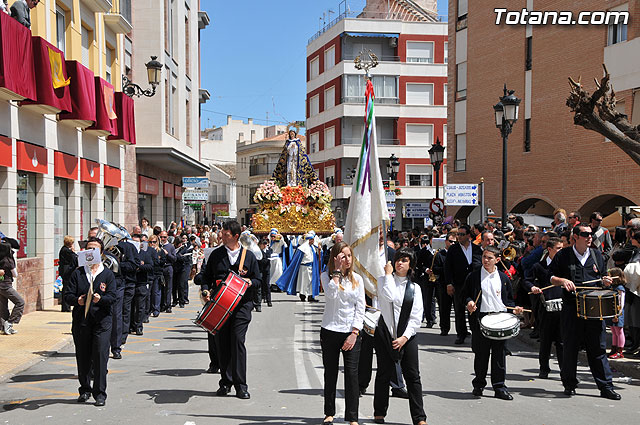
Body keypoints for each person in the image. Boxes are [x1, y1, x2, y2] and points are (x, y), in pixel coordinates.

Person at [549, 224, 621, 400]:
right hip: (572, 308)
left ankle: (606, 387)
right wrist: (563, 280)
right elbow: (551, 277)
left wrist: (606, 281)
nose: (589, 237)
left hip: (594, 310)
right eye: (584, 234)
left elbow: (603, 278)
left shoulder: (597, 255)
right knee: (570, 348)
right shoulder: (563, 255)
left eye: (590, 234)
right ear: (575, 236)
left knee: (598, 348)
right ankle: (569, 383)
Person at [200, 220, 261, 399]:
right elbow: (206, 277)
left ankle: (241, 385)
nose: (222, 237)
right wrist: (205, 290)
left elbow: (258, 280)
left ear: (235, 236)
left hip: (242, 305)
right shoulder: (216, 254)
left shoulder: (248, 256)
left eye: (226, 234)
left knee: (237, 341)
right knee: (222, 343)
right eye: (222, 234)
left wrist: (250, 282)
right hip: (220, 305)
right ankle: (225, 382)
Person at [373, 248, 427, 425]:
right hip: (385, 333)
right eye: (397, 259)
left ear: (411, 264)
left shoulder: (415, 288)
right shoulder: (383, 281)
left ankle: (419, 417)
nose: (399, 263)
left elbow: (416, 316)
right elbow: (388, 296)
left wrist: (405, 337)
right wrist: (388, 275)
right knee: (383, 374)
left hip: (407, 336)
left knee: (413, 376)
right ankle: (379, 413)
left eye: (404, 260)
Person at [464, 246, 523, 400]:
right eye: (484, 257)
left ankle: (499, 387)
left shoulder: (503, 278)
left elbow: (509, 299)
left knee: (499, 355)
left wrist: (514, 309)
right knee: (481, 355)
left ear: (497, 259)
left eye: (489, 258)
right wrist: (469, 302)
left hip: (500, 319)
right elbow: (465, 294)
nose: (486, 260)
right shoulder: (474, 276)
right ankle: (479, 384)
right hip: (481, 318)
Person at [64, 237, 116, 406]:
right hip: (82, 322)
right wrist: (77, 300)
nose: (91, 252)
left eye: (94, 249)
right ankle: (85, 389)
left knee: (100, 356)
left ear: (101, 253)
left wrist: (101, 299)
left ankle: (100, 393)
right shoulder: (78, 273)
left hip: (102, 322)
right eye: (88, 249)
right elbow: (67, 295)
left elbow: (113, 297)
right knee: (83, 356)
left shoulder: (107, 274)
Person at [320, 242, 365, 425]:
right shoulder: (326, 276)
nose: (347, 260)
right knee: (330, 373)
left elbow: (360, 307)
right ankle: (329, 412)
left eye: (349, 256)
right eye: (342, 256)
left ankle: (352, 416)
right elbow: (330, 295)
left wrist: (354, 332)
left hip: (350, 331)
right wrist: (336, 273)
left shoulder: (357, 279)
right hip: (330, 330)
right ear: (335, 258)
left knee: (352, 374)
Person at [524, 237, 564, 378]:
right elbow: (527, 281)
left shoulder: (563, 266)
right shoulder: (539, 266)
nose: (561, 251)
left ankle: (564, 369)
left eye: (562, 248)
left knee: (561, 341)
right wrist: (533, 287)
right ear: (549, 249)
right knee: (545, 340)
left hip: (562, 306)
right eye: (558, 248)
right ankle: (544, 368)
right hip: (546, 306)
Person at [444, 224, 482, 344]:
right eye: (457, 234)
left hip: (473, 283)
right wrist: (449, 284)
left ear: (468, 236)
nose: (459, 237)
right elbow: (447, 267)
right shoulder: (453, 249)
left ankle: (475, 331)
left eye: (461, 234)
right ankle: (461, 334)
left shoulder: (476, 249)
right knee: (459, 309)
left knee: (474, 308)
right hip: (459, 283)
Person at [434, 232, 455, 336]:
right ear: (446, 242)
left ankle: (462, 330)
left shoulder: (457, 253)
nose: (452, 243)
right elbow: (435, 269)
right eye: (450, 241)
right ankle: (444, 328)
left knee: (458, 308)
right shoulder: (440, 254)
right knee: (444, 308)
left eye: (454, 242)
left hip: (456, 284)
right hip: (443, 284)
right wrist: (446, 269)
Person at [0, 241, 23, 335]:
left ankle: (4, 327)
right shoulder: (8, 260)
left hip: (1, 286)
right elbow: (15, 275)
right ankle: (9, 323)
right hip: (6, 285)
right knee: (20, 302)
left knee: (3, 306)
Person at [131, 234, 152, 335]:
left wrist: (140, 267)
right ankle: (131, 326)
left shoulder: (145, 254)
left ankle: (139, 326)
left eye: (137, 242)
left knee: (140, 307)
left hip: (141, 283)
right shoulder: (128, 254)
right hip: (130, 283)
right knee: (129, 307)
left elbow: (150, 266)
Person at [606, 267, 626, 359]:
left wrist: (617, 314)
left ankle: (619, 351)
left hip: (617, 312)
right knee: (613, 331)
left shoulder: (620, 288)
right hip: (611, 311)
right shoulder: (612, 287)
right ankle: (614, 348)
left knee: (619, 331)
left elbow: (621, 302)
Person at [58, 235, 78, 313]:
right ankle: (66, 307)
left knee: (66, 287)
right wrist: (73, 251)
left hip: (65, 269)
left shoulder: (65, 249)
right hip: (67, 270)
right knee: (66, 288)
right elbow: (75, 257)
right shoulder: (66, 250)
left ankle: (66, 306)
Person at [147, 235, 166, 318]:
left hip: (157, 274)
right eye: (150, 242)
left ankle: (156, 309)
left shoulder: (160, 251)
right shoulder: (147, 251)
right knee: (148, 293)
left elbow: (163, 261)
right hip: (149, 274)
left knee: (156, 292)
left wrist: (158, 259)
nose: (152, 244)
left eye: (154, 242)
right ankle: (148, 310)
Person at [159, 231, 176, 313]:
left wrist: (167, 254)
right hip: (160, 268)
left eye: (164, 237)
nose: (163, 239)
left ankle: (168, 305)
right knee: (161, 287)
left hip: (168, 267)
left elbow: (174, 259)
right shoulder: (158, 246)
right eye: (161, 237)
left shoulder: (170, 246)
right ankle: (162, 305)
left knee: (168, 287)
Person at [256, 238, 272, 310]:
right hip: (260, 270)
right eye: (263, 244)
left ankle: (269, 300)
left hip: (266, 270)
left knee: (267, 285)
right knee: (260, 285)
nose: (265, 246)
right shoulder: (258, 251)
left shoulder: (269, 251)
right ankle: (261, 299)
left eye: (266, 244)